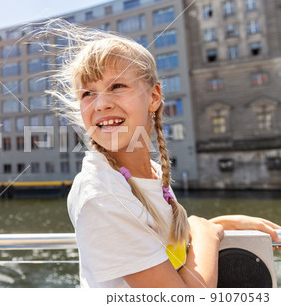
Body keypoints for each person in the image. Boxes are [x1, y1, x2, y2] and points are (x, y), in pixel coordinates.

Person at [43, 20, 281, 288]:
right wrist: (204, 231)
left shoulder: (152, 174)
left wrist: (220, 224)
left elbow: (161, 248)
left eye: (117, 86)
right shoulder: (102, 194)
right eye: (87, 93)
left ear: (154, 96)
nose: (101, 103)